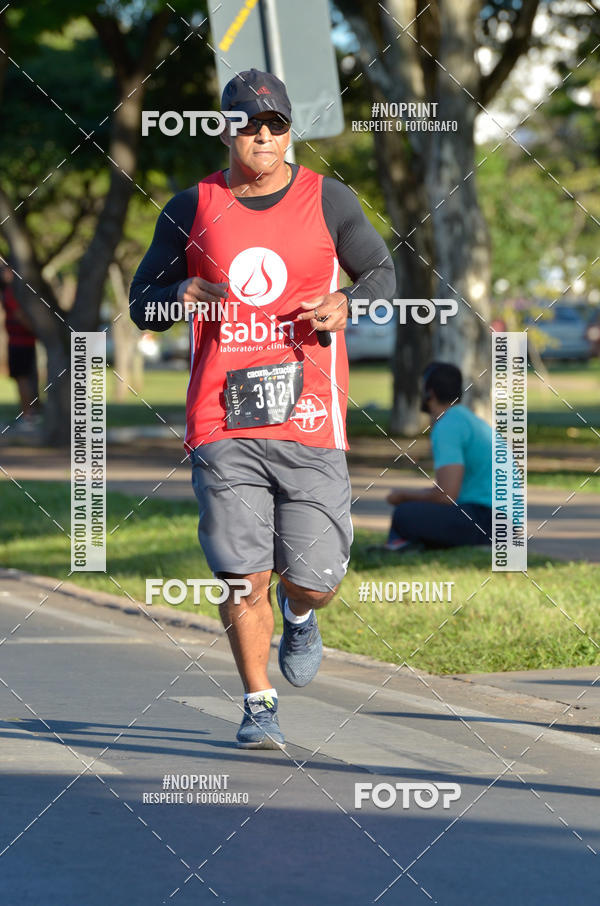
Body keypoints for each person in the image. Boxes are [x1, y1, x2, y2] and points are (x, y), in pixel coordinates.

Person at [130, 69, 395, 748]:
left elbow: (381, 272)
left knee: (316, 577)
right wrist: (181, 292)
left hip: (310, 414)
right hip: (223, 419)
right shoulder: (190, 206)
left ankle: (301, 614)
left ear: (288, 131)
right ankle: (258, 702)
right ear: (226, 127)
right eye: (249, 123)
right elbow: (143, 306)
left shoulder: (328, 198)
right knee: (240, 568)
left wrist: (346, 304)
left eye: (276, 124)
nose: (264, 136)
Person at [384, 361, 493, 551]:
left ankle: (400, 545)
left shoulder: (448, 425)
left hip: (485, 519)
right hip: (501, 521)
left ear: (429, 393)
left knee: (404, 514)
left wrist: (403, 496)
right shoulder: (468, 419)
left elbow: (446, 496)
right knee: (423, 513)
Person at [0, 263, 41, 428]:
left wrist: (37, 332)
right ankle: (29, 413)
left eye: (4, 270)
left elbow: (19, 315)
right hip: (17, 341)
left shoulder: (12, 292)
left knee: (22, 378)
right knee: (23, 378)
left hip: (21, 342)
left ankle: (28, 415)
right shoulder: (13, 291)